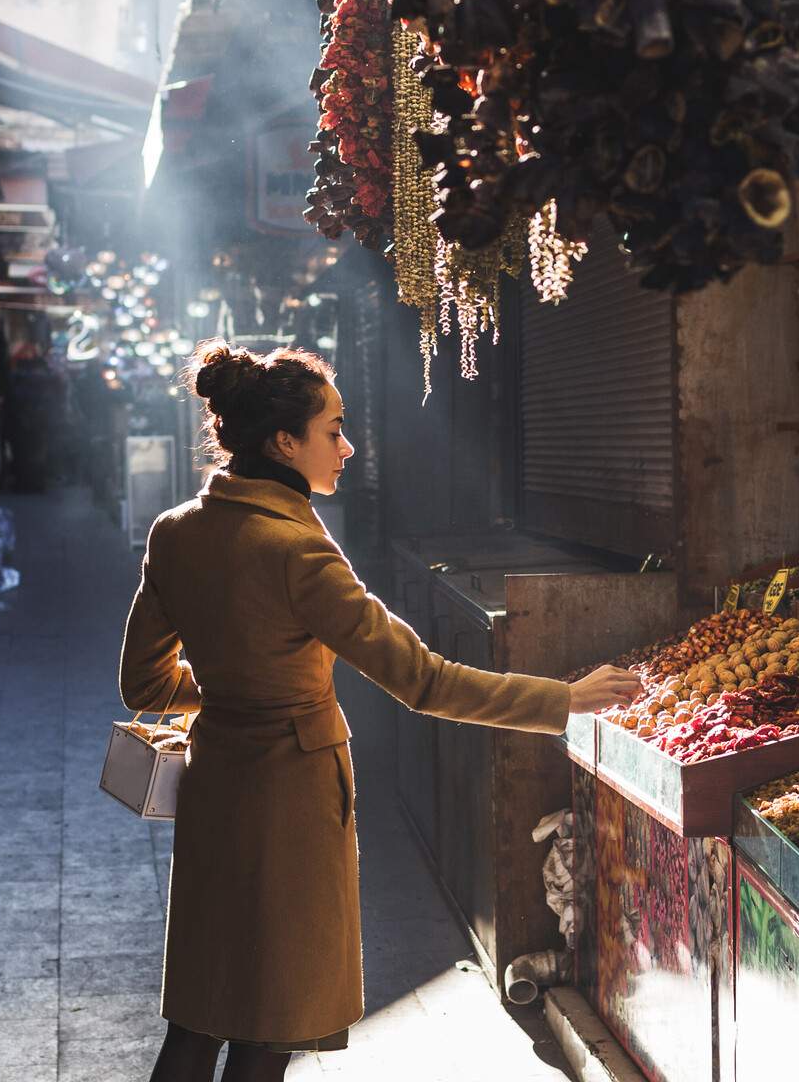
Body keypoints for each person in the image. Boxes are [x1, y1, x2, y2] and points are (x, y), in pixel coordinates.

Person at [120, 339, 641, 1082]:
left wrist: (236, 690)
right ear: (283, 441)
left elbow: (144, 683)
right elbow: (424, 682)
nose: (347, 445)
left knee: (201, 1015)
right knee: (270, 1022)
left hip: (214, 789)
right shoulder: (300, 552)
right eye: (333, 430)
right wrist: (563, 700)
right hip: (291, 799)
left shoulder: (176, 532)